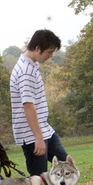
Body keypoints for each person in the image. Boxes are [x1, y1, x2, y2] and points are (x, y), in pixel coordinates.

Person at [11, 29, 66, 175]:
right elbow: (28, 105)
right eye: (49, 51)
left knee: (66, 165)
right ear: (37, 48)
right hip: (32, 134)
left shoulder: (32, 65)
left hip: (44, 128)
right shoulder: (26, 71)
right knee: (39, 181)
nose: (51, 56)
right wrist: (38, 138)